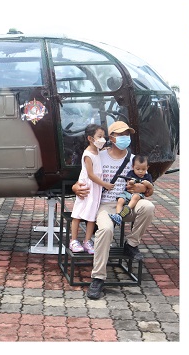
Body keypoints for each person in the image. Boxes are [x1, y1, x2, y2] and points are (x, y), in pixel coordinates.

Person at [72, 121, 156, 300]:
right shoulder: (98, 155)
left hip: (128, 205)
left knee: (149, 207)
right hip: (105, 205)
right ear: (111, 138)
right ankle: (98, 278)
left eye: (127, 133)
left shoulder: (134, 160)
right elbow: (83, 177)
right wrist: (74, 187)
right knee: (106, 230)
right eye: (120, 134)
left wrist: (144, 188)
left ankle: (131, 244)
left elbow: (150, 190)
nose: (125, 137)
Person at [69, 124, 114, 255]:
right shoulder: (88, 154)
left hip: (96, 188)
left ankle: (87, 241)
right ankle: (73, 240)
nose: (102, 139)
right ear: (90, 138)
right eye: (99, 136)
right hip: (87, 187)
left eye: (103, 136)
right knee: (77, 214)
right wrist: (105, 184)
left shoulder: (98, 151)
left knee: (91, 216)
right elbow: (91, 174)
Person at [110, 154, 153, 226]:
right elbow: (128, 182)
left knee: (136, 196)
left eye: (143, 169)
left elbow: (150, 189)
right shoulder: (131, 173)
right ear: (133, 167)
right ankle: (118, 215)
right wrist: (131, 182)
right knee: (120, 200)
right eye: (138, 169)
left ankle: (128, 208)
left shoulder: (147, 176)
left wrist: (148, 184)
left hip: (137, 194)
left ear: (147, 168)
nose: (140, 172)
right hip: (127, 193)